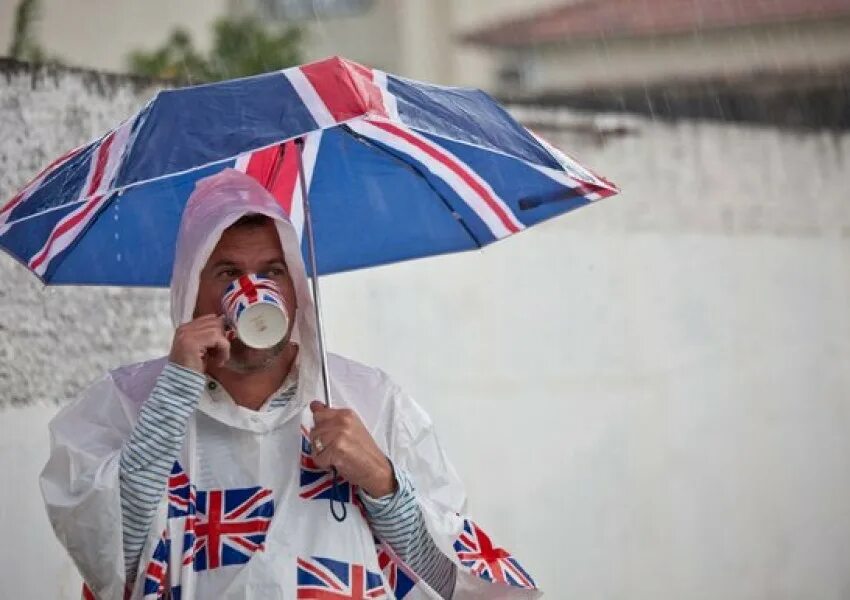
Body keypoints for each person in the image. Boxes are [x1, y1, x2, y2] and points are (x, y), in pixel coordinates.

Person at [40, 169, 540, 599]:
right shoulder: (125, 403)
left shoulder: (371, 399)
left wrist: (384, 484)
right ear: (191, 289)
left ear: (297, 288)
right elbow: (111, 563)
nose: (253, 292)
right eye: (228, 272)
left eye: (272, 272)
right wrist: (174, 393)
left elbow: (448, 581)